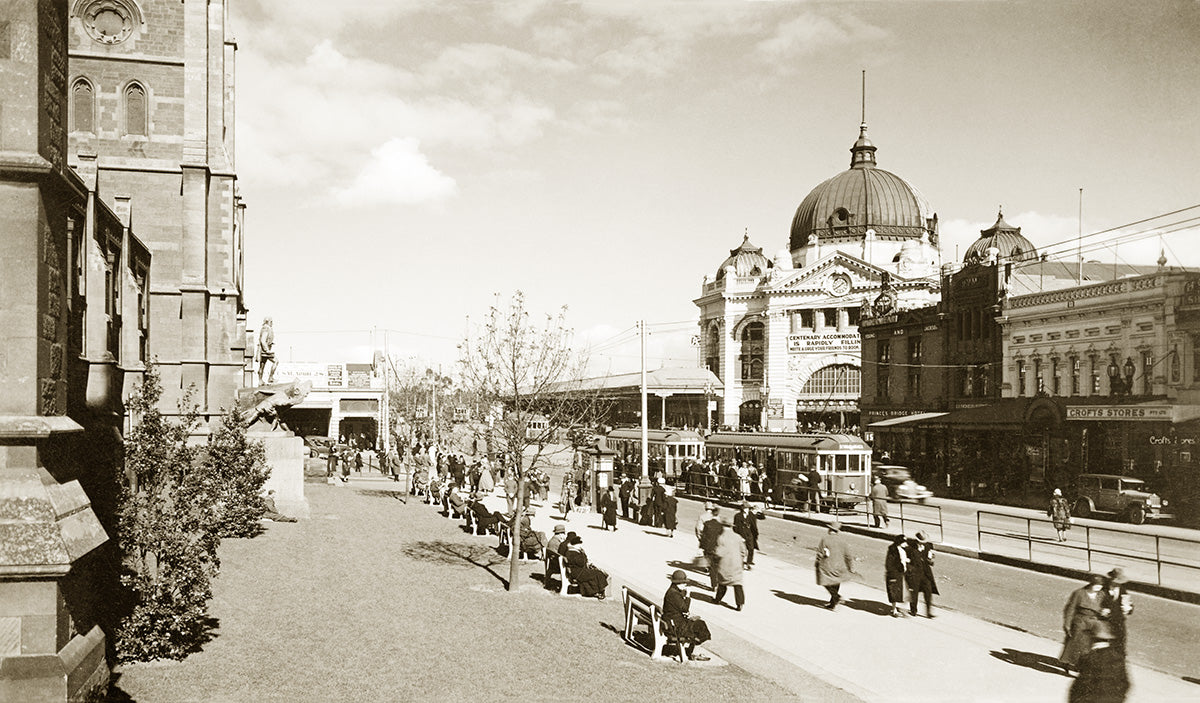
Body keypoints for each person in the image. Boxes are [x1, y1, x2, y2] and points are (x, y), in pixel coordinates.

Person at [1068, 617, 1129, 703]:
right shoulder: (1117, 658)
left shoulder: (1091, 658)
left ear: (1092, 638)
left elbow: (1081, 686)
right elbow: (1125, 684)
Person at [1060, 573, 1109, 673]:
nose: (1099, 587)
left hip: (1094, 622)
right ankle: (1068, 663)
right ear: (1091, 584)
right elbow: (1070, 609)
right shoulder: (1079, 593)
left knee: (1088, 646)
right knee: (1075, 643)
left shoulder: (1101, 595)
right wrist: (1067, 624)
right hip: (1080, 621)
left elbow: (1104, 608)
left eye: (1100, 585)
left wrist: (1104, 612)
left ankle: (1080, 665)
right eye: (1096, 585)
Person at [662, 570, 711, 661]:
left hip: (672, 622)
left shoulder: (672, 591)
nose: (685, 585)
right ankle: (690, 650)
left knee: (698, 624)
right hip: (675, 626)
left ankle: (691, 649)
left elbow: (679, 607)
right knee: (700, 625)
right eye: (683, 583)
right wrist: (688, 595)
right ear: (678, 583)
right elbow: (685, 608)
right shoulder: (674, 594)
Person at [816, 522, 856, 610]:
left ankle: (837, 597)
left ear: (830, 529)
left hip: (828, 566)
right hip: (840, 567)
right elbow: (848, 556)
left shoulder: (825, 539)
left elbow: (820, 553)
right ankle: (833, 604)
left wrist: (817, 562)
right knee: (835, 584)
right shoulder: (843, 541)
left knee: (824, 582)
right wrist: (851, 567)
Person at [714, 516, 747, 610]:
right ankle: (740, 604)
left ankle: (717, 599)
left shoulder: (721, 538)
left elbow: (719, 552)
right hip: (737, 564)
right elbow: (743, 551)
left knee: (722, 583)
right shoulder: (738, 537)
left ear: (723, 526)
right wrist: (741, 559)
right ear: (731, 526)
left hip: (725, 564)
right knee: (738, 584)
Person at [563, 534, 608, 599]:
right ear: (576, 545)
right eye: (580, 544)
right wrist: (583, 554)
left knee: (593, 573)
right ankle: (600, 591)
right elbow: (581, 563)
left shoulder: (570, 551)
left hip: (576, 571)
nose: (581, 546)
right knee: (598, 573)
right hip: (578, 572)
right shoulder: (573, 552)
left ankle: (594, 591)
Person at [906, 531, 938, 618]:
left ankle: (928, 612)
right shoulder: (910, 548)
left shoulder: (927, 547)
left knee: (928, 591)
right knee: (914, 593)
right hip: (914, 574)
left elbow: (930, 561)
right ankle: (913, 610)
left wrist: (931, 560)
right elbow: (905, 560)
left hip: (925, 573)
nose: (923, 543)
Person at [1103, 568, 1133, 658]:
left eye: (1119, 583)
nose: (1117, 584)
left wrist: (1128, 608)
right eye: (1115, 582)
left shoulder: (1122, 590)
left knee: (1120, 640)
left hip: (1118, 620)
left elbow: (1129, 605)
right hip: (1104, 620)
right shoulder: (1103, 589)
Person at [699, 505, 723, 591]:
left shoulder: (707, 524)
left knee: (712, 567)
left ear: (712, 514)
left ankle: (714, 584)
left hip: (708, 548)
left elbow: (704, 536)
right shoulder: (721, 526)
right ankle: (717, 581)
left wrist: (701, 547)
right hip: (718, 548)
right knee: (717, 566)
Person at [733, 501, 763, 570]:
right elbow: (735, 527)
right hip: (741, 535)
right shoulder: (737, 516)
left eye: (748, 508)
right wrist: (738, 535)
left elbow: (760, 520)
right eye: (746, 508)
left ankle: (749, 562)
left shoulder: (752, 515)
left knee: (751, 549)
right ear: (743, 508)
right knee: (742, 550)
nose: (747, 509)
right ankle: (740, 563)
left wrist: (760, 511)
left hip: (750, 534)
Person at [884, 534, 909, 617]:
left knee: (901, 592)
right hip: (895, 574)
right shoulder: (893, 551)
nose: (906, 544)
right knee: (894, 592)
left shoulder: (903, 550)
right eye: (904, 542)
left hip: (901, 573)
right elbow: (889, 564)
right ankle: (894, 609)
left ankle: (899, 608)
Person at [256, 316, 277, 385]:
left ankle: (260, 381)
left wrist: (270, 343)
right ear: (268, 322)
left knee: (262, 365)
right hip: (265, 351)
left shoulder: (265, 328)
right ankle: (270, 377)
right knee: (276, 361)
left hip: (263, 350)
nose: (272, 323)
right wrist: (267, 350)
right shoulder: (266, 328)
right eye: (271, 322)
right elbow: (263, 340)